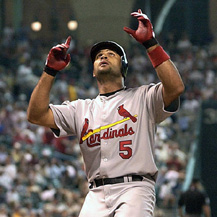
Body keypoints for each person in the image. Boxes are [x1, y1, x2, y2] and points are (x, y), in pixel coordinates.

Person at [27, 9, 184, 217]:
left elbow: (175, 88)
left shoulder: (143, 97)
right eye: (99, 56)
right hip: (96, 193)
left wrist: (151, 44)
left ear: (123, 68)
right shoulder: (80, 108)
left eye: (111, 54)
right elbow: (36, 115)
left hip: (134, 188)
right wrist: (49, 71)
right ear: (93, 71)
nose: (103, 56)